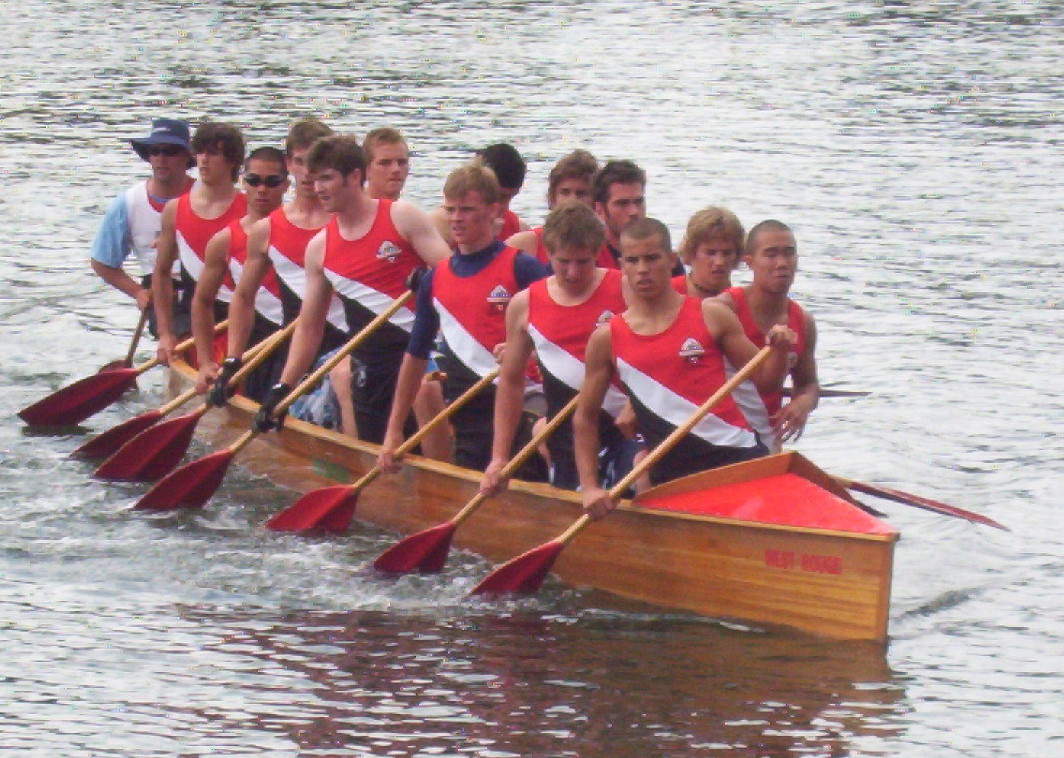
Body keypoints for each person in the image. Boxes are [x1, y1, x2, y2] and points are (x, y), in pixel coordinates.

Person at [573, 218, 796, 520]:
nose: (642, 269)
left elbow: (768, 381)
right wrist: (589, 487)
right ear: (622, 265)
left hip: (738, 461)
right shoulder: (606, 339)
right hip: (673, 476)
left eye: (652, 258)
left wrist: (780, 351)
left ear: (671, 260)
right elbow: (584, 418)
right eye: (633, 260)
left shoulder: (712, 315)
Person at [253, 134, 450, 442]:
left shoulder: (401, 216)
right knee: (376, 452)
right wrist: (283, 388)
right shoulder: (319, 249)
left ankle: (447, 483)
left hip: (421, 350)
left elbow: (455, 274)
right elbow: (308, 328)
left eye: (327, 179)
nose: (318, 188)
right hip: (369, 367)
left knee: (427, 392)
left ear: (355, 176)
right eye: (315, 180)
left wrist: (430, 279)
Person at [377, 162, 549, 473]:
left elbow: (560, 331)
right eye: (450, 210)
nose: (456, 219)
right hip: (466, 406)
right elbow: (415, 356)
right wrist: (393, 431)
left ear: (493, 211)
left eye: (466, 210)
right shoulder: (435, 278)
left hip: (522, 398)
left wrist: (528, 349)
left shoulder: (523, 268)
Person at [480, 202, 628, 495]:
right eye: (563, 262)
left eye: (583, 262)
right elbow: (510, 382)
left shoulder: (624, 289)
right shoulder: (524, 304)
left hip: (623, 430)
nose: (573, 273)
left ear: (598, 252)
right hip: (566, 438)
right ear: (547, 254)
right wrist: (499, 458)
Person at [191, 147, 289, 400]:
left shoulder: (304, 229)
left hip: (296, 337)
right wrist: (204, 363)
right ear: (243, 182)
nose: (262, 189)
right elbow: (202, 302)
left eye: (272, 182)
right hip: (254, 345)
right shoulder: (223, 241)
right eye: (254, 181)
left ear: (286, 185)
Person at [716, 220, 819, 451]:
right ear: (749, 262)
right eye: (771, 255)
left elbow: (808, 384)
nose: (782, 263)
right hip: (719, 436)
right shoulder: (724, 309)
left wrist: (803, 402)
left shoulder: (804, 322)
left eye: (789, 254)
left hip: (766, 440)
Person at [152, 121, 247, 365]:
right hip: (194, 315)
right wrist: (165, 334)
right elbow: (162, 273)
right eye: (201, 152)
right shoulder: (174, 210)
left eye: (213, 153)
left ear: (233, 161)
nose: (203, 160)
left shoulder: (251, 209)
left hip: (238, 315)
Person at [89, 117, 195, 337]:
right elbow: (102, 262)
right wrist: (137, 292)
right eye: (155, 151)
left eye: (170, 151)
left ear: (187, 156)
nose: (161, 159)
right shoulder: (128, 203)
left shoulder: (208, 197)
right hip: (163, 295)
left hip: (211, 288)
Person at [505, 149, 599, 264]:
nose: (572, 200)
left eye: (581, 193)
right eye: (565, 192)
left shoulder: (609, 246)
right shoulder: (522, 246)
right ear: (552, 198)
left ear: (596, 201)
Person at [429, 142, 528, 244]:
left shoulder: (519, 229)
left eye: (511, 197)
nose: (506, 207)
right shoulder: (438, 224)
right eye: (500, 197)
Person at [673, 206, 745, 298]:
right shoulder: (666, 293)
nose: (719, 262)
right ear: (691, 252)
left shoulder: (744, 300)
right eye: (710, 253)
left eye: (727, 253)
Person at [363, 127, 410, 202]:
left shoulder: (409, 212)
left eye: (401, 162)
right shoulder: (347, 210)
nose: (396, 169)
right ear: (366, 169)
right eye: (385, 163)